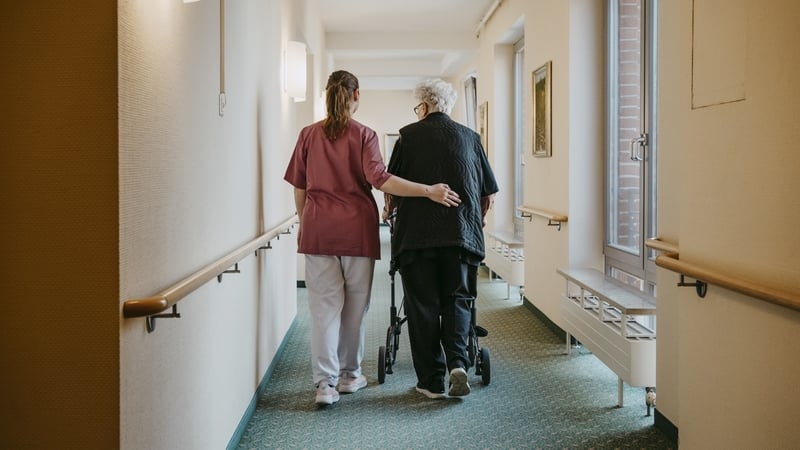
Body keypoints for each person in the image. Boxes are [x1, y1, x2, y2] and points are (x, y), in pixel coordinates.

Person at [284, 70, 461, 406]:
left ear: (327, 95)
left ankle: (325, 385)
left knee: (323, 310)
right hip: (356, 231)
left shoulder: (308, 135)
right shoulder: (364, 134)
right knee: (354, 308)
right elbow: (380, 180)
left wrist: (303, 222)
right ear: (357, 96)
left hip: (319, 229)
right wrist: (428, 191)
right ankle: (350, 376)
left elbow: (300, 186)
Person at [383, 78, 498, 399]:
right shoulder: (471, 138)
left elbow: (390, 187)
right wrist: (477, 220)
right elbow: (488, 194)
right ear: (447, 106)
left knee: (422, 306)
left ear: (422, 106)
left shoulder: (406, 137)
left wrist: (388, 212)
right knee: (458, 299)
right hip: (460, 236)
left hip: (416, 238)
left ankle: (431, 382)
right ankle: (458, 364)